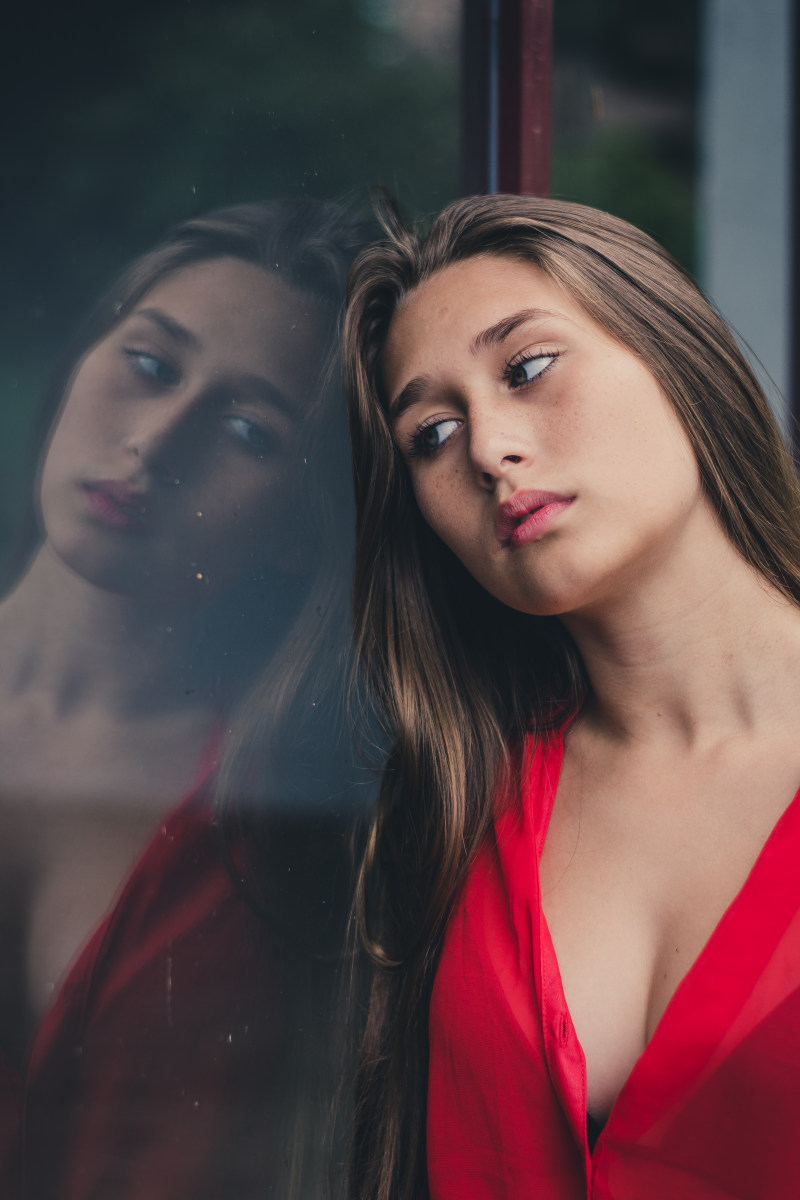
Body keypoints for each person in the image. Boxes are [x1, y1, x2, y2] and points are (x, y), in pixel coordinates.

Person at [343, 193, 800, 1200]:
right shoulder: (455, 805)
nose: (490, 449)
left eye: (527, 368)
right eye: (430, 432)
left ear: (675, 353)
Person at [0, 199, 365, 1198]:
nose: (153, 444)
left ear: (302, 525)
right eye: (149, 366)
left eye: (248, 430)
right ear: (84, 356)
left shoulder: (300, 820)